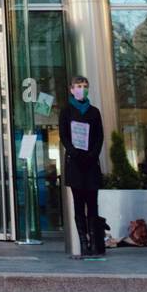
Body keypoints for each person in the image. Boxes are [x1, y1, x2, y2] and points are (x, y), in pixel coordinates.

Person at [59, 74, 105, 259]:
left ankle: (95, 241)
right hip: (75, 163)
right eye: (78, 86)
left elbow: (99, 137)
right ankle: (83, 242)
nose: (82, 89)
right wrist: (74, 152)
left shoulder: (94, 112)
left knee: (92, 204)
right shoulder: (66, 111)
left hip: (91, 163)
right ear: (71, 89)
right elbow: (63, 135)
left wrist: (92, 153)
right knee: (79, 204)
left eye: (84, 85)